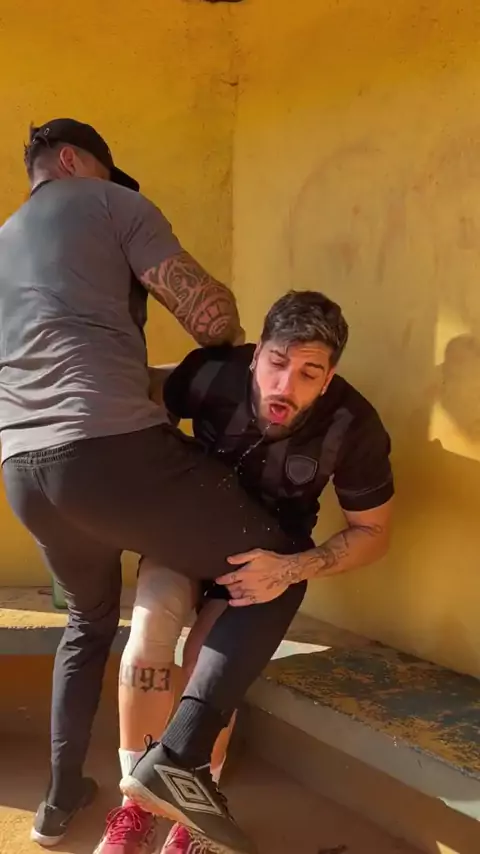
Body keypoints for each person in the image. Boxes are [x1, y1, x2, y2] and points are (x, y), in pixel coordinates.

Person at [0, 118, 320, 854]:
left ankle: (59, 798)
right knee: (277, 565)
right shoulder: (111, 203)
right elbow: (214, 320)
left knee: (87, 622)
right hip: (112, 455)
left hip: (23, 470)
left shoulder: (4, 242)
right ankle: (179, 758)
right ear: (73, 160)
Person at [93, 290, 394, 854]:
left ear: (329, 379)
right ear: (256, 355)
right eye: (276, 363)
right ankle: (136, 807)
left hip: (265, 557)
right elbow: (143, 391)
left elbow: (373, 532)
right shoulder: (214, 373)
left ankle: (192, 818)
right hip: (186, 533)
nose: (285, 386)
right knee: (148, 637)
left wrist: (291, 568)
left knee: (207, 666)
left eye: (308, 374)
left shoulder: (354, 425)